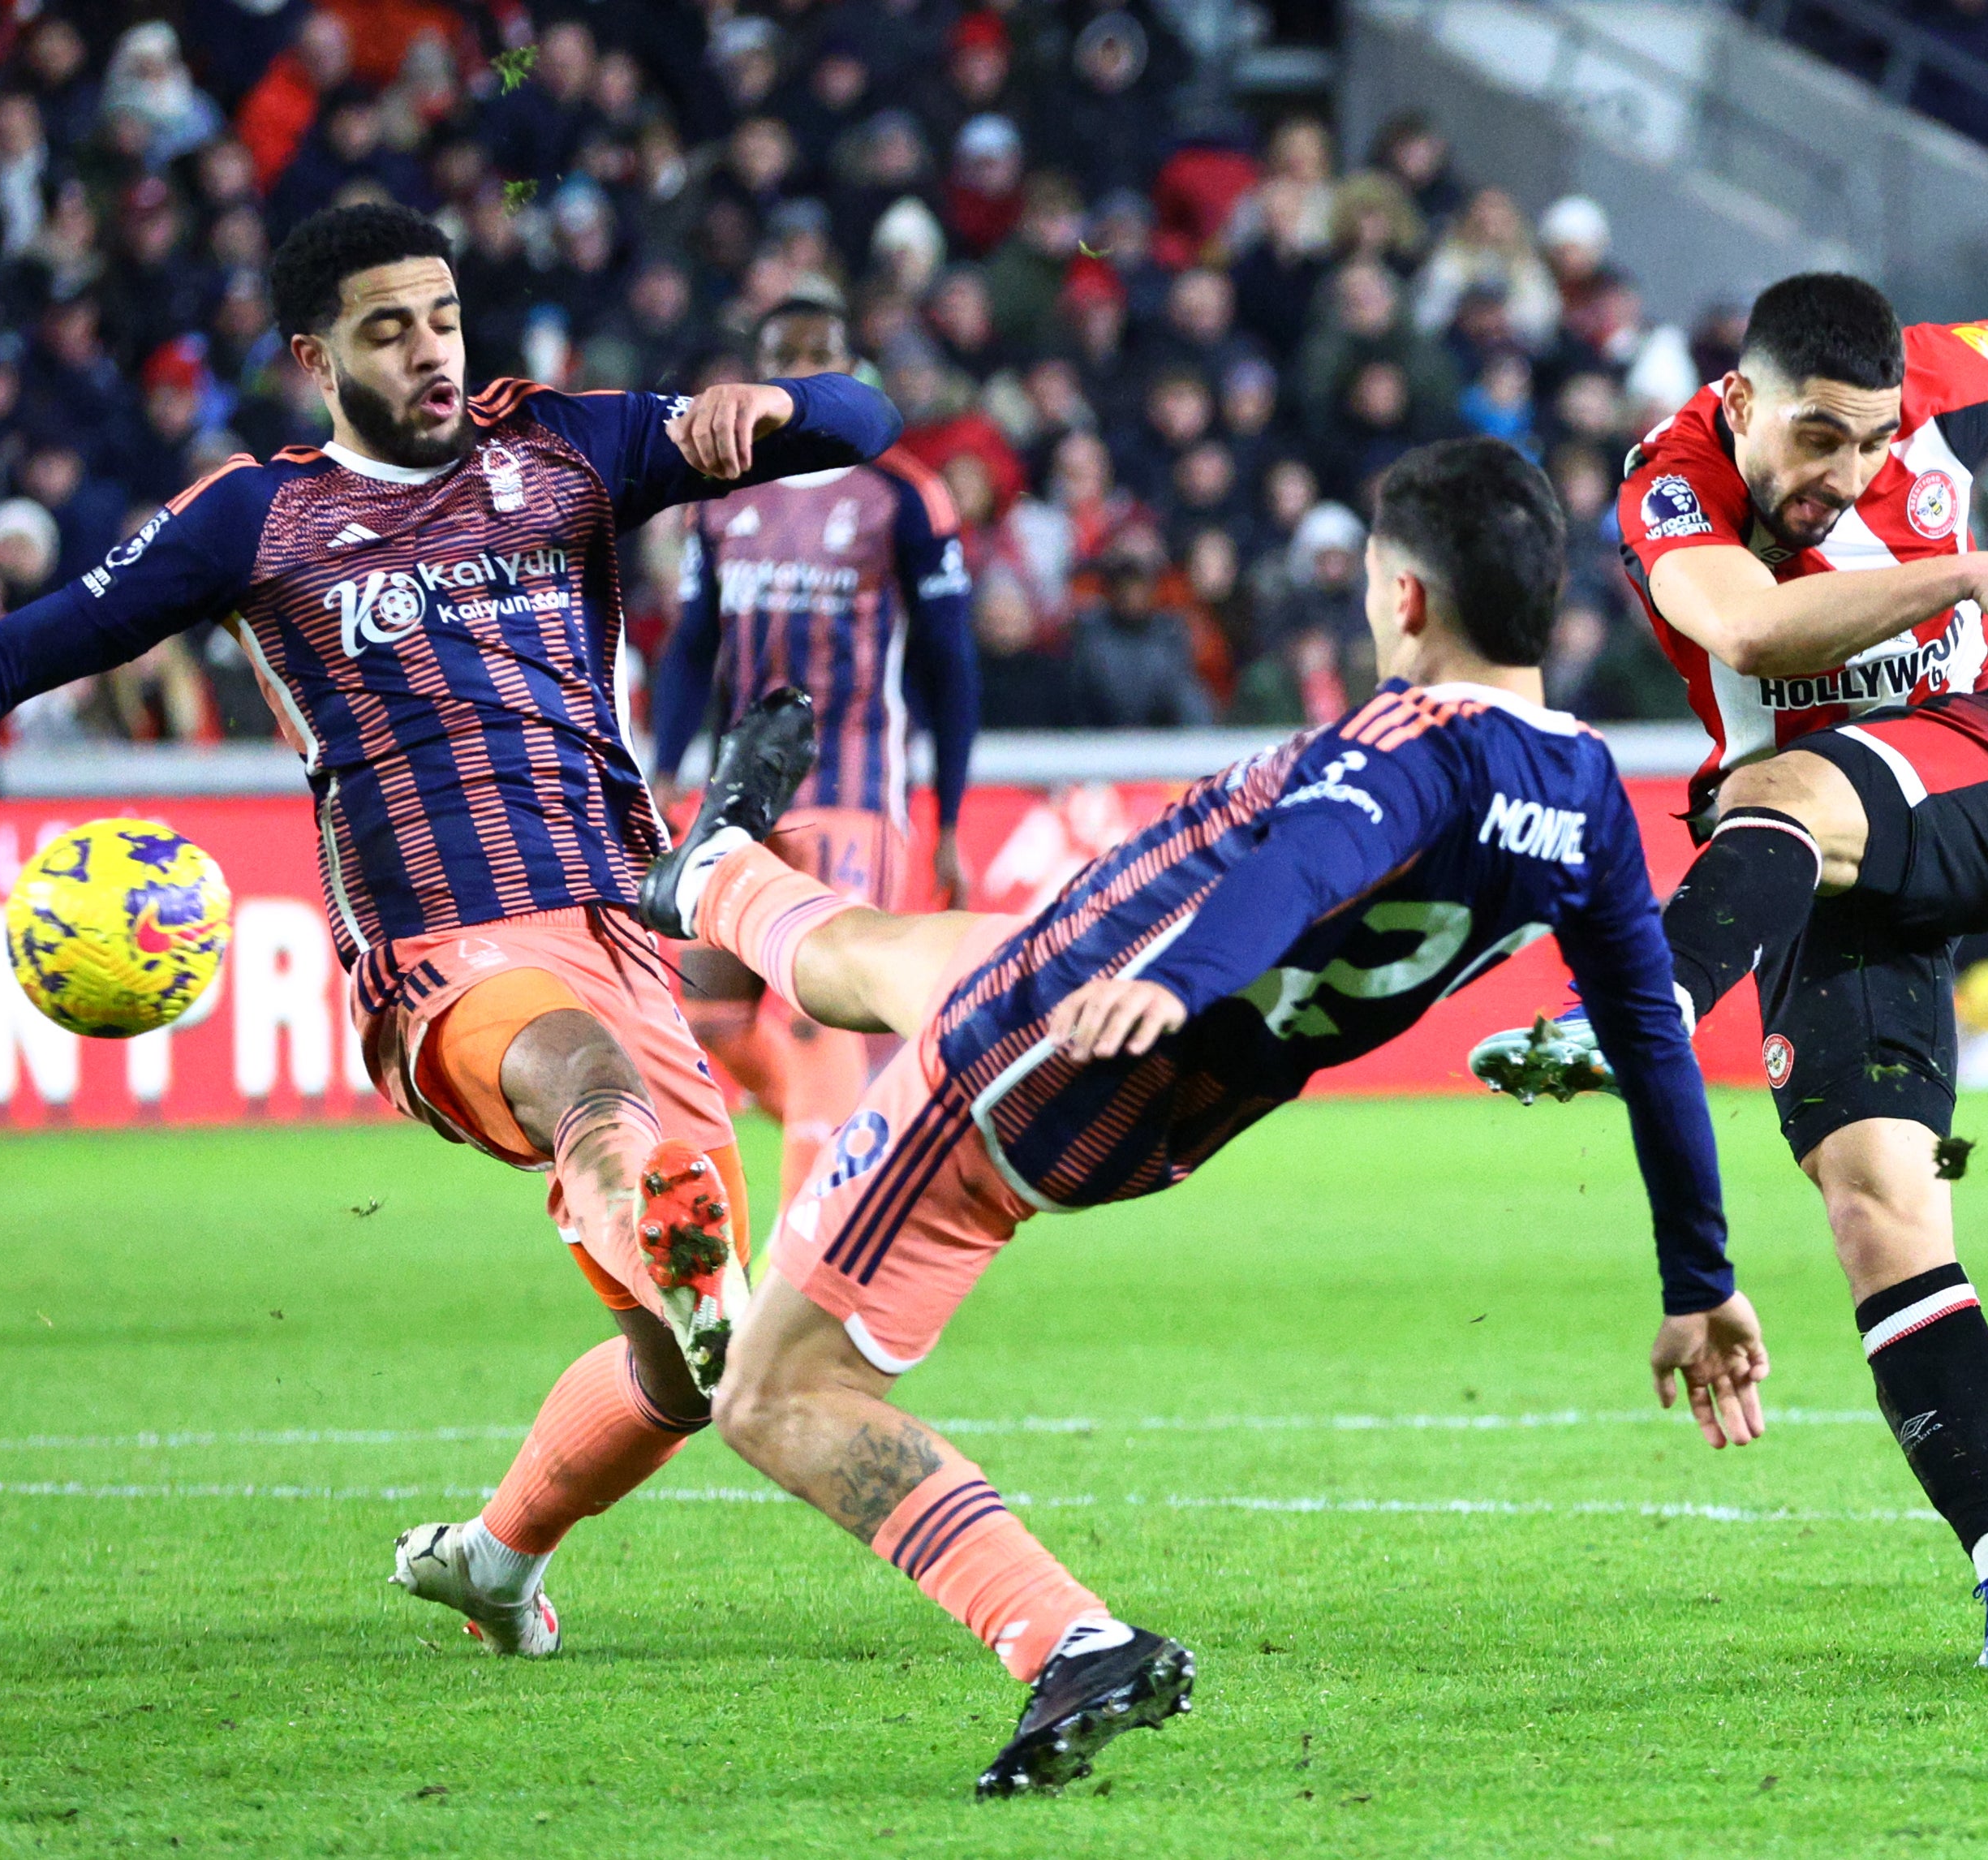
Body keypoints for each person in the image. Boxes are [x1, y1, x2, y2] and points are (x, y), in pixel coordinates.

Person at [0, 200, 905, 1659]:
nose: (432, 354)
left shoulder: (569, 448)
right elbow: (21, 651)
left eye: (444, 319)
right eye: (389, 332)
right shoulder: (251, 520)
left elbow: (870, 417)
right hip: (439, 947)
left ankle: (498, 1552)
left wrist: (779, 402)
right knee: (588, 1084)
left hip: (618, 914)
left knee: (681, 1373)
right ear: (314, 358)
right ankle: (668, 1233)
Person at [637, 438, 1766, 1797]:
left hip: (1041, 1046)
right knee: (884, 960)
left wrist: (1169, 978)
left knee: (772, 1391)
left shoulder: (1406, 748)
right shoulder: (1585, 795)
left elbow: (1309, 858)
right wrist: (1701, 1279)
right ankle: (712, 870)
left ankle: (1069, 1640)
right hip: (1170, 1103)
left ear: (1401, 600)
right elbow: (1650, 1038)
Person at [1467, 273, 1988, 1668]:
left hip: (1972, 766)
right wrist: (1969, 568)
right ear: (1743, 401)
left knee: (1784, 782)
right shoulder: (1670, 484)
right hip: (1807, 857)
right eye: (1821, 439)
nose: (1853, 469)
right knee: (1877, 1205)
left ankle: (1631, 1012)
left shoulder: (1932, 374)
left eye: (1876, 441)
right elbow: (1746, 631)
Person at [652, 295, 979, 1216]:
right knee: (709, 1012)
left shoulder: (904, 493)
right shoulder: (717, 499)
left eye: (819, 357)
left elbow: (953, 668)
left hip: (852, 788)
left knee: (813, 1014)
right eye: (782, 356)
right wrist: (668, 773)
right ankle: (853, 1142)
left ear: (847, 370)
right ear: (753, 371)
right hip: (737, 800)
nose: (798, 372)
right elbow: (689, 645)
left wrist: (947, 815)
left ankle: (810, 1251)